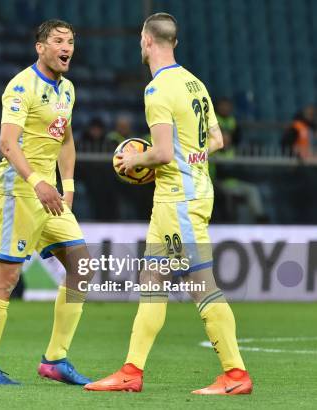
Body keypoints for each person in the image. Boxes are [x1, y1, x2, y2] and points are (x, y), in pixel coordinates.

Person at [85, 13, 252, 395]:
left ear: (146, 40)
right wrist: (189, 157)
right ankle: (131, 370)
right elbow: (216, 140)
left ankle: (236, 375)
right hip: (180, 197)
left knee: (201, 286)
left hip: (179, 202)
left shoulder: (157, 90)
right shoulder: (195, 82)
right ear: (172, 41)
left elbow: (159, 153)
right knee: (153, 283)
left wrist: (133, 161)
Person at [0, 19, 93, 385]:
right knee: (6, 279)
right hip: (18, 191)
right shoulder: (22, 85)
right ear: (40, 47)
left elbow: (66, 140)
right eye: (58, 41)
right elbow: (7, 144)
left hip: (50, 195)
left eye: (70, 41)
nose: (66, 47)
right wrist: (38, 182)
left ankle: (55, 359)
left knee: (81, 268)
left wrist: (67, 185)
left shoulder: (67, 89)